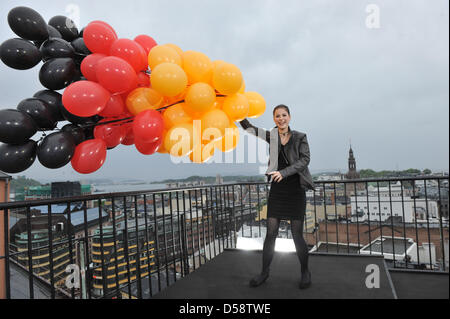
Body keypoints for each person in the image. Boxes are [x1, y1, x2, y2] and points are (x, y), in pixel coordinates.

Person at [239, 104, 315, 289]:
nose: (281, 118)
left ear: (289, 117)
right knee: (271, 233)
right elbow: (251, 129)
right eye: (277, 116)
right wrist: (237, 112)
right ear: (274, 119)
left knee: (297, 234)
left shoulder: (300, 137)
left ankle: (305, 272)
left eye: (284, 115)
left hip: (296, 188)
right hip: (278, 190)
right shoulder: (272, 136)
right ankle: (264, 272)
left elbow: (305, 160)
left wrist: (284, 172)